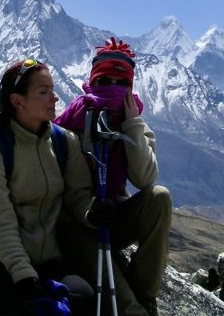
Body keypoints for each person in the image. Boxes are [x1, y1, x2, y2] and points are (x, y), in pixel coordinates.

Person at [0, 58, 96, 315]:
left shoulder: (63, 142)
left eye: (52, 90)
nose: (54, 98)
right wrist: (24, 276)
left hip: (42, 258)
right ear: (17, 100)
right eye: (44, 92)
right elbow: (0, 224)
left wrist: (91, 213)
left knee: (82, 295)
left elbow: (77, 196)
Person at [55, 38, 171, 316]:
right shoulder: (71, 123)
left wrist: (132, 125)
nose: (112, 89)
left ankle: (145, 291)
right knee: (123, 302)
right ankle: (133, 308)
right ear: (92, 82)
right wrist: (90, 212)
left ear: (130, 88)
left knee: (160, 197)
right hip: (74, 226)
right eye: (105, 81)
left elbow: (145, 179)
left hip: (112, 217)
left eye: (121, 84)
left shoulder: (134, 124)